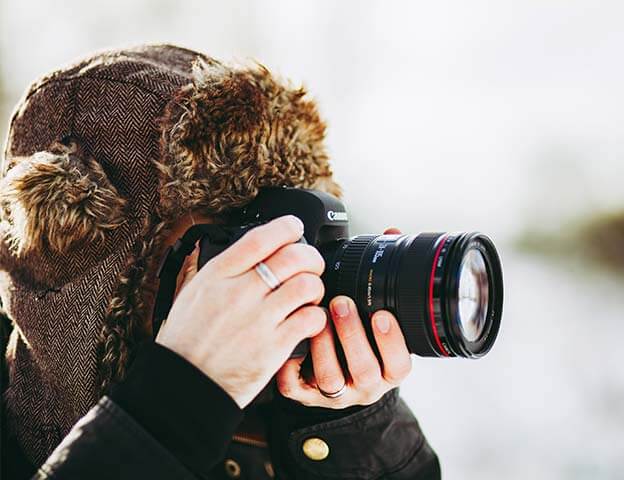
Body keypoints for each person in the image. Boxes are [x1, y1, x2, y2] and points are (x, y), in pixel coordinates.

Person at [0, 44, 440, 479]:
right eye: (237, 246)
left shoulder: (283, 422)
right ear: (102, 277)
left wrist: (349, 434)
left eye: (298, 243)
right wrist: (178, 397)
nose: (283, 274)